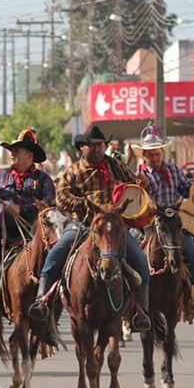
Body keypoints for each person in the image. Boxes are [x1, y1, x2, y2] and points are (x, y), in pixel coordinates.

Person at [35, 125, 153, 334]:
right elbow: (61, 198)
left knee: (141, 260)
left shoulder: (116, 166)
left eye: (100, 145)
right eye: (92, 146)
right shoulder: (72, 171)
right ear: (82, 148)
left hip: (114, 226)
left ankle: (140, 312)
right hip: (82, 225)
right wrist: (86, 203)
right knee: (55, 254)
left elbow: (134, 187)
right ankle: (42, 301)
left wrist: (143, 184)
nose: (97, 149)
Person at [0, 129, 55, 343]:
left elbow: (49, 207)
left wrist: (22, 209)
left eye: (16, 150)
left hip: (34, 236)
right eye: (12, 150)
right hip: (4, 234)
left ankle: (49, 323)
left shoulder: (44, 180)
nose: (12, 154)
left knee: (57, 271)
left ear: (29, 156)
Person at [131, 124, 194, 317]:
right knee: (127, 255)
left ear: (162, 153)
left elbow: (186, 188)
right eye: (150, 155)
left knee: (191, 253)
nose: (154, 158)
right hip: (149, 224)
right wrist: (144, 189)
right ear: (143, 155)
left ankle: (191, 298)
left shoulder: (173, 170)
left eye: (157, 154)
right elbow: (137, 202)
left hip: (173, 222)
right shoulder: (139, 176)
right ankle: (130, 303)